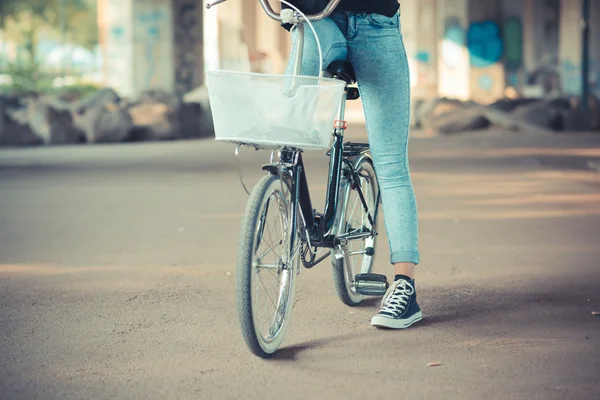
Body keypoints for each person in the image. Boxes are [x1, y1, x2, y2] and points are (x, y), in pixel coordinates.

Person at [284, 0, 421, 329]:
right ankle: (282, 176)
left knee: (390, 164)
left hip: (376, 25)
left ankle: (405, 286)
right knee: (287, 128)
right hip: (319, 21)